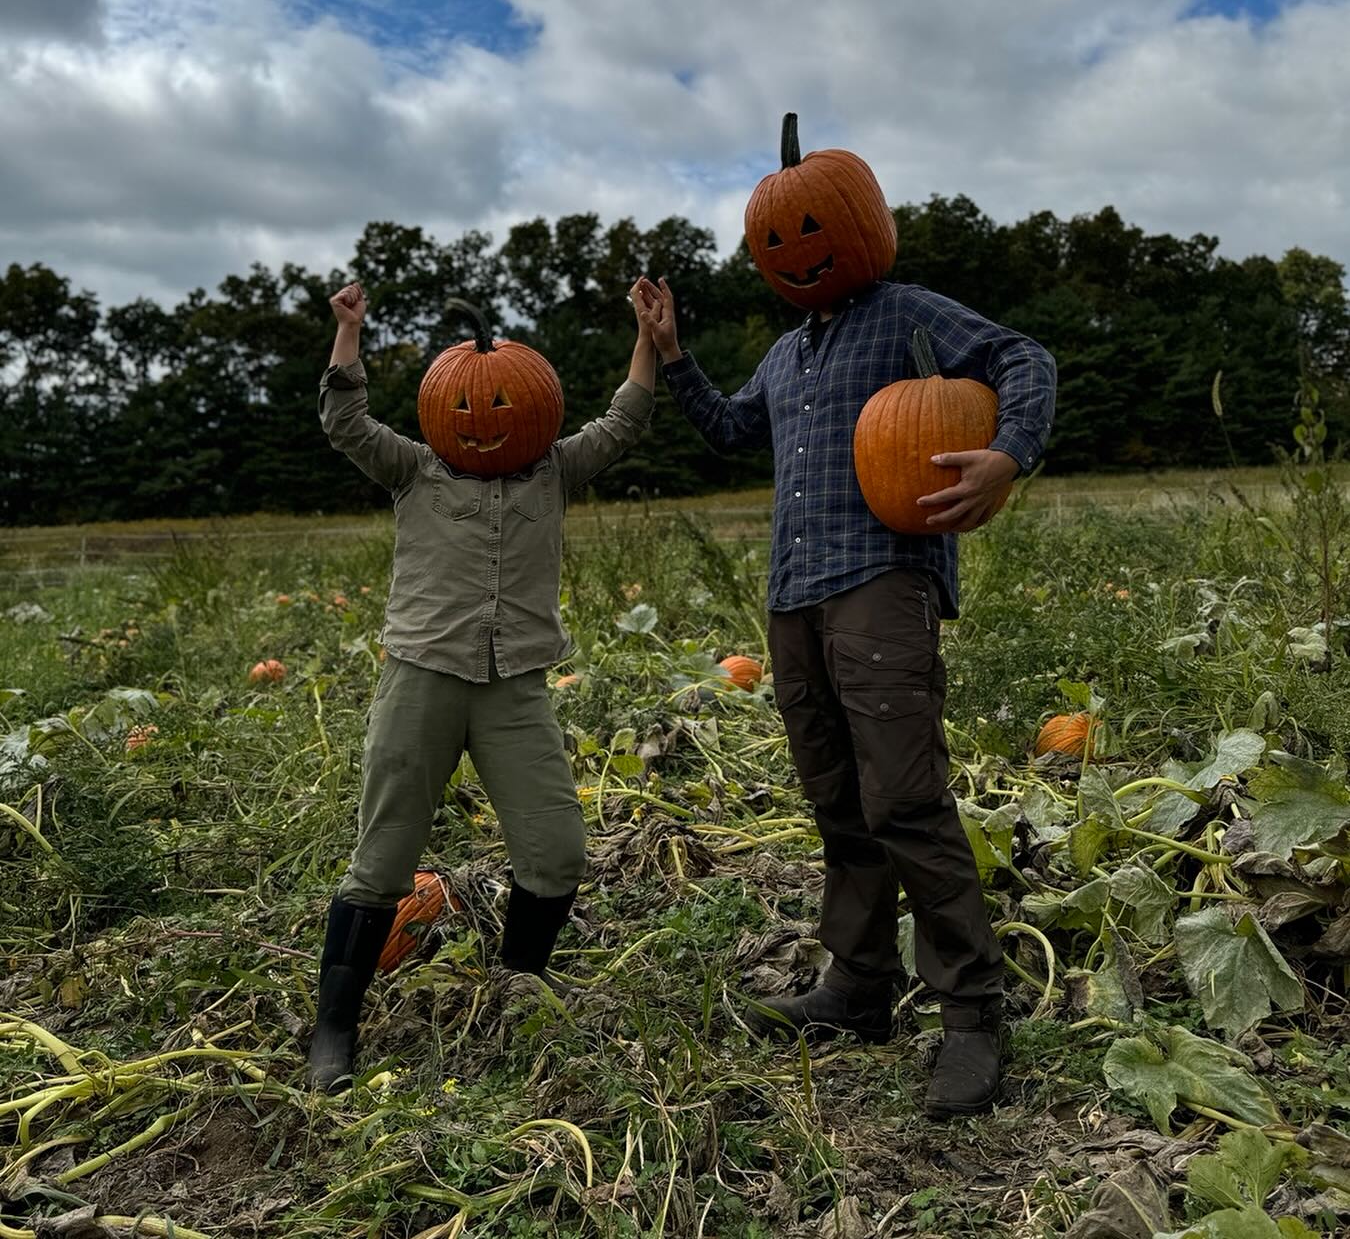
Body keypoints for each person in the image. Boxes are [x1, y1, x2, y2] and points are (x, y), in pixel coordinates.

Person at [634, 169, 1054, 1117]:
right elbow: (733, 429)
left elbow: (1020, 357)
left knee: (904, 796)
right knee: (837, 800)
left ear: (860, 226)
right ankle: (859, 988)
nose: (790, 252)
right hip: (795, 599)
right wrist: (673, 354)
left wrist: (1010, 451)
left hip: (881, 579)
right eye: (771, 242)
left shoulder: (908, 315)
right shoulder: (787, 355)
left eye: (809, 230)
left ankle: (973, 1015)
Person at [308, 280, 657, 1092]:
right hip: (422, 679)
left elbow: (625, 421)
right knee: (384, 861)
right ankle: (334, 1028)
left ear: (535, 410)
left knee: (556, 850)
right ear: (442, 411)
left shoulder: (554, 471)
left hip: (514, 689)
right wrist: (349, 333)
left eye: (505, 404)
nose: (485, 418)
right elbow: (345, 423)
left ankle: (517, 986)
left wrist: (646, 338)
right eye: (470, 406)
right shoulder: (414, 470)